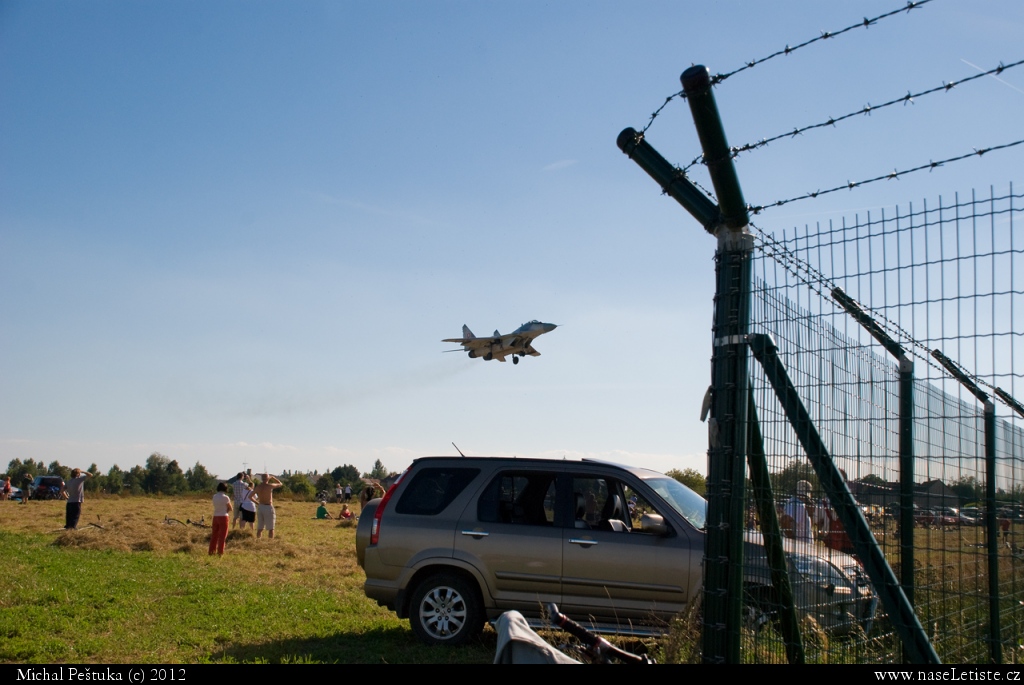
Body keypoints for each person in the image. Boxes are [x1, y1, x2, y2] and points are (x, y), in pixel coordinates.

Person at [254, 473, 283, 539]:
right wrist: (273, 478)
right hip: (268, 506)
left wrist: (257, 503)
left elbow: (250, 496)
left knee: (260, 527)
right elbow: (280, 483)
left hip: (260, 506)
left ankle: (258, 540)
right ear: (268, 478)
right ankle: (270, 542)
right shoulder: (270, 486)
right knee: (271, 528)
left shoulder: (258, 487)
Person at [210, 483, 232, 556]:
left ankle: (211, 551)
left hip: (215, 516)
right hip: (223, 516)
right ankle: (220, 552)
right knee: (222, 536)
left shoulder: (214, 496)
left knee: (214, 535)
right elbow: (230, 508)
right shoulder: (226, 497)